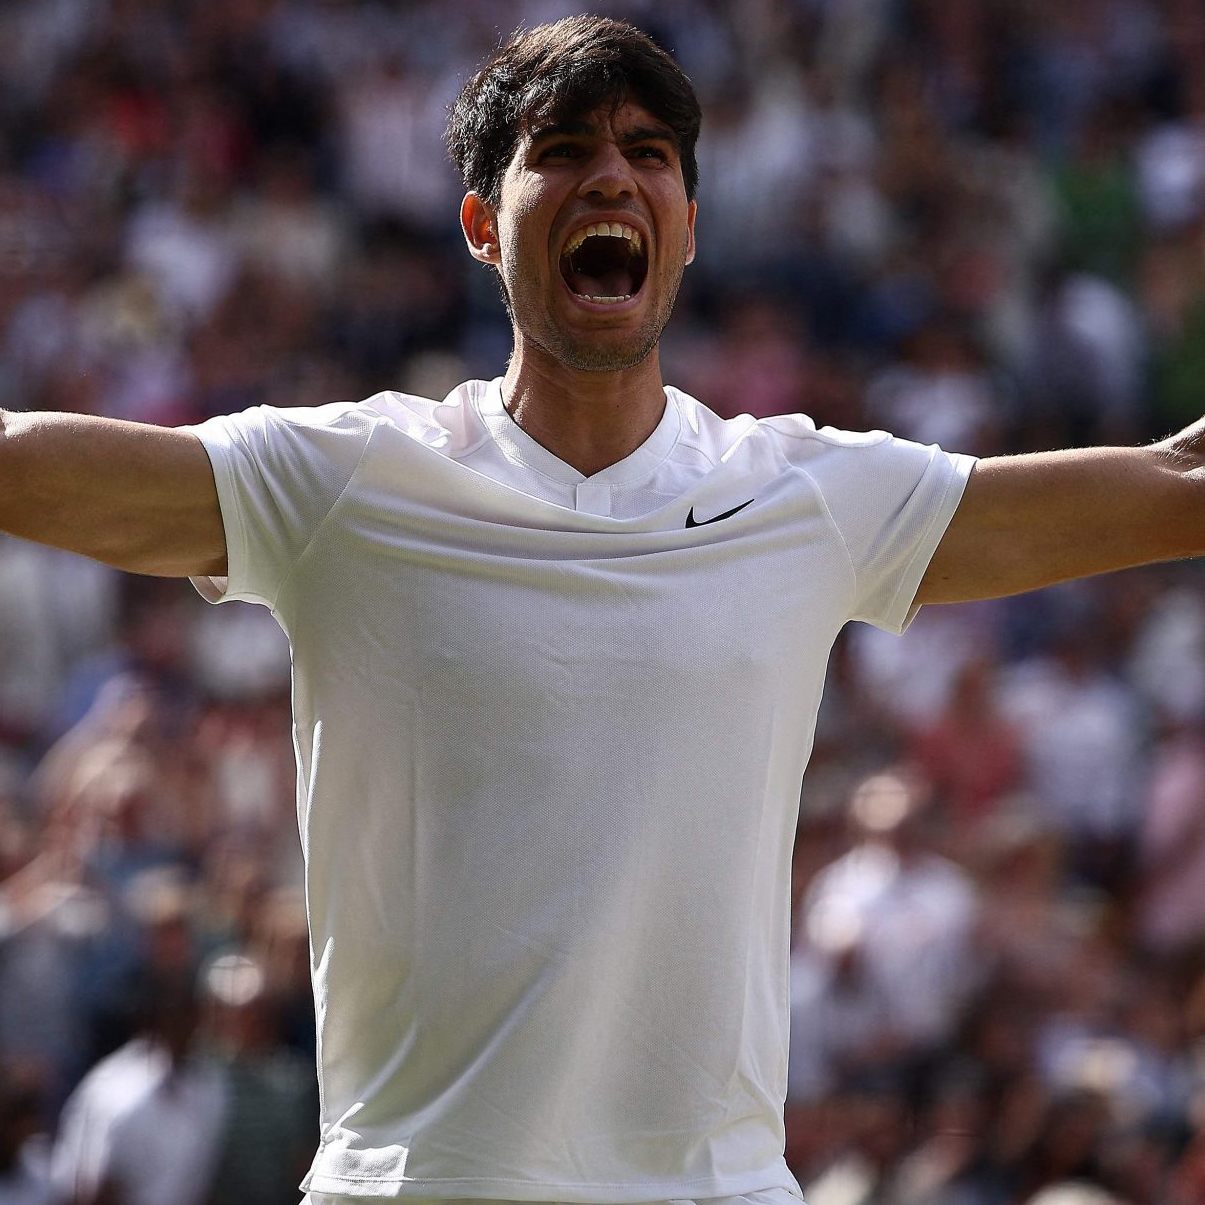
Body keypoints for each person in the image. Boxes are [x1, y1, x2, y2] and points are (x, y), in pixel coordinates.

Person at [0, 14, 1202, 1205]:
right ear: (481, 223)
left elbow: (1168, 488)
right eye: (560, 148)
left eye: (647, 152)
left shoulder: (805, 493)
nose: (610, 174)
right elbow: (48, 471)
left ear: (685, 224)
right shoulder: (344, 480)